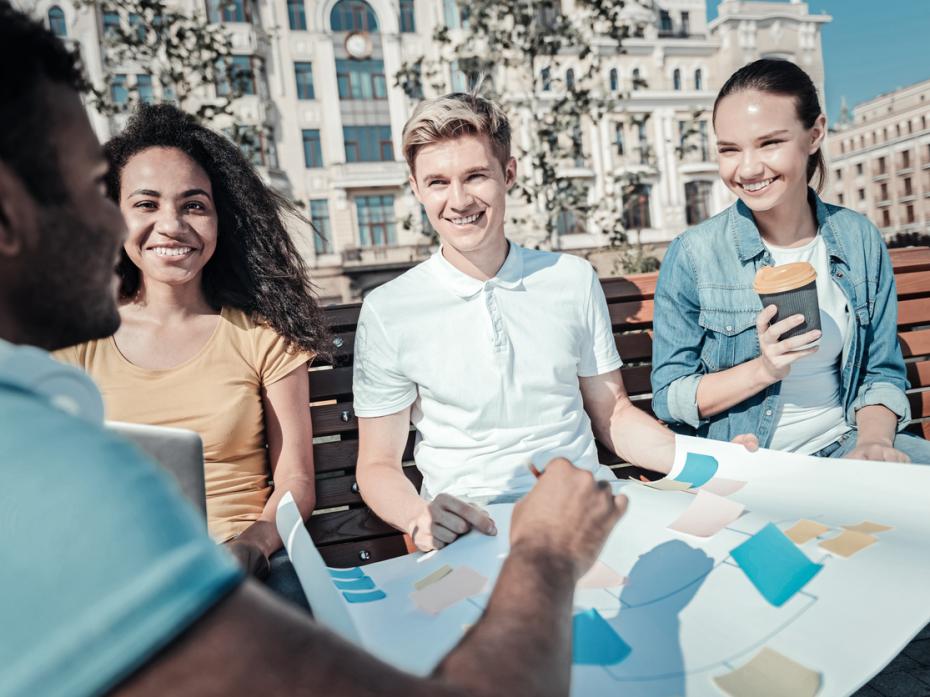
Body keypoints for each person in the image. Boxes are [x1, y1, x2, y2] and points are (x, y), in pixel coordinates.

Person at [0, 5, 628, 696]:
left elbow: (292, 484)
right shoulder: (60, 468)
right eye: (103, 190)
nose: (125, 220)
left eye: (194, 204)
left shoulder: (52, 423)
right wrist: (545, 550)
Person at [353, 92, 758, 552]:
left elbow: (613, 416)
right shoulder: (390, 309)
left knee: (739, 548)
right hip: (474, 532)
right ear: (416, 189)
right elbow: (378, 464)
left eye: (475, 176)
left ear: (508, 174)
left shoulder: (571, 279)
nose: (459, 199)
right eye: (438, 182)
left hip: (587, 512)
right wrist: (419, 517)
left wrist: (706, 460)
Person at [53, 103, 325, 608]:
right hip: (127, 569)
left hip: (250, 565)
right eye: (147, 204)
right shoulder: (78, 340)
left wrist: (255, 544)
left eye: (194, 205)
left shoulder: (262, 335)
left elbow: (295, 480)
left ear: (222, 219)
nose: (172, 224)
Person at [651, 58, 930, 464]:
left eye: (769, 143)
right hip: (746, 458)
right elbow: (669, 397)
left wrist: (874, 443)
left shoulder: (858, 238)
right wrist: (763, 369)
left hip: (845, 441)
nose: (747, 168)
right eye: (730, 149)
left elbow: (880, 373)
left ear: (814, 133)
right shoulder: (695, 254)